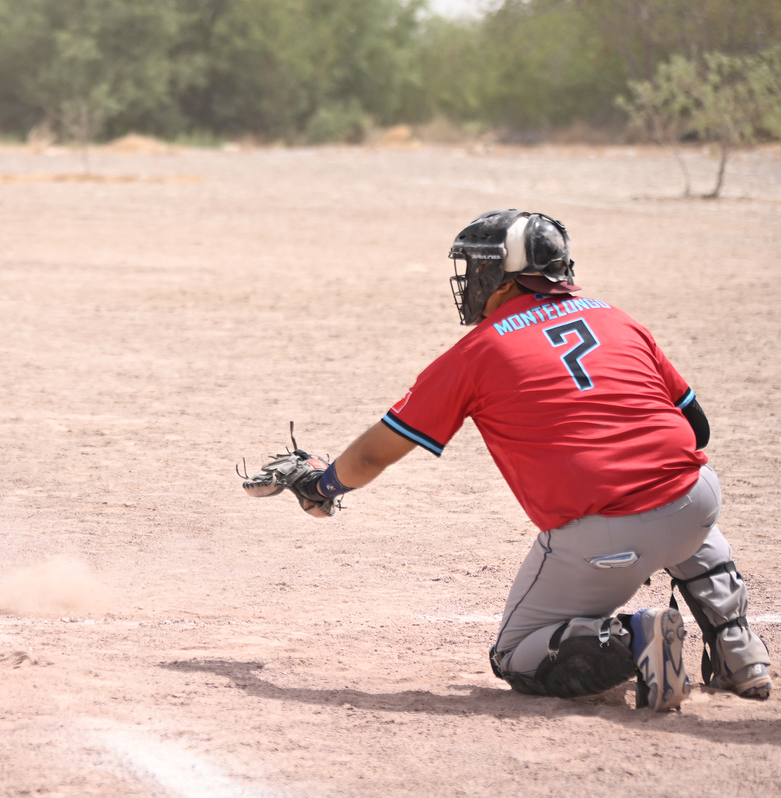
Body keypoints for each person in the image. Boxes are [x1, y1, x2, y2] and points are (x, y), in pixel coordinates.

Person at [243, 210, 771, 711]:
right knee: (680, 493)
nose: (470, 279)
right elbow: (696, 427)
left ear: (505, 275)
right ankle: (738, 651)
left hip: (605, 533)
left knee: (515, 654)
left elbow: (372, 453)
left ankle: (636, 638)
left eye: (478, 268)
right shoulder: (617, 318)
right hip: (696, 500)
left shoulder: (479, 350)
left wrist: (322, 486)